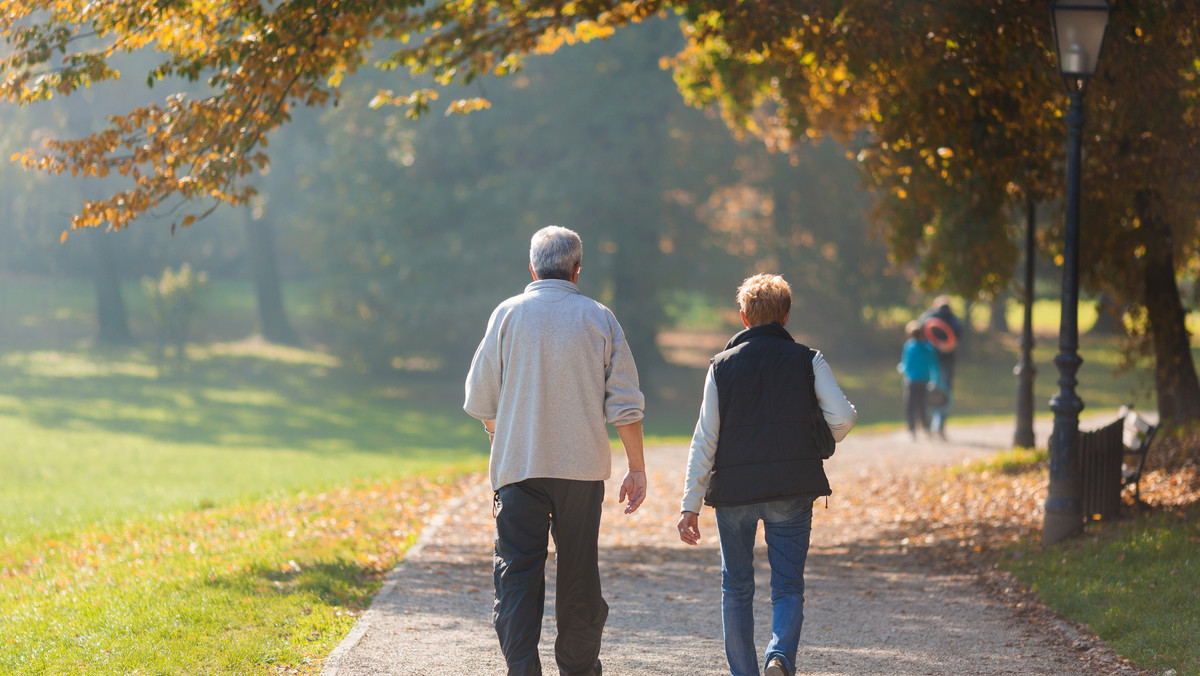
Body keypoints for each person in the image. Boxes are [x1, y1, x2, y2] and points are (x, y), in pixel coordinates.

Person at [464, 225, 647, 676]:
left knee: (517, 576)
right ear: (577, 271)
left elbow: (480, 399)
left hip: (519, 471)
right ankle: (579, 669)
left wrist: (502, 437)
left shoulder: (506, 315)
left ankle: (522, 667)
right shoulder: (599, 318)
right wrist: (636, 468)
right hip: (581, 472)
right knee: (580, 575)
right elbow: (625, 405)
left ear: (532, 267)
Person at [676, 274, 857, 676]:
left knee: (735, 588)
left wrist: (690, 505)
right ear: (786, 317)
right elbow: (843, 418)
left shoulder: (720, 367)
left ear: (743, 317)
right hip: (792, 489)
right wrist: (818, 435)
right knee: (788, 586)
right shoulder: (808, 360)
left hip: (734, 493)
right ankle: (780, 656)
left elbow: (705, 439)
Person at [919, 296, 963, 439]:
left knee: (927, 393)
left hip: (929, 361)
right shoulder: (953, 319)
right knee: (945, 394)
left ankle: (927, 426)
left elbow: (920, 330)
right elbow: (957, 335)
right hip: (946, 361)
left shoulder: (928, 317)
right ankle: (940, 427)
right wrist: (946, 345)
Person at [898, 320, 938, 441]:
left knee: (910, 406)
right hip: (924, 381)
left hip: (911, 381)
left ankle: (912, 431)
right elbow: (933, 365)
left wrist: (900, 369)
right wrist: (934, 379)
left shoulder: (909, 347)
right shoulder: (928, 348)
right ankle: (926, 429)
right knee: (923, 405)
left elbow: (906, 365)